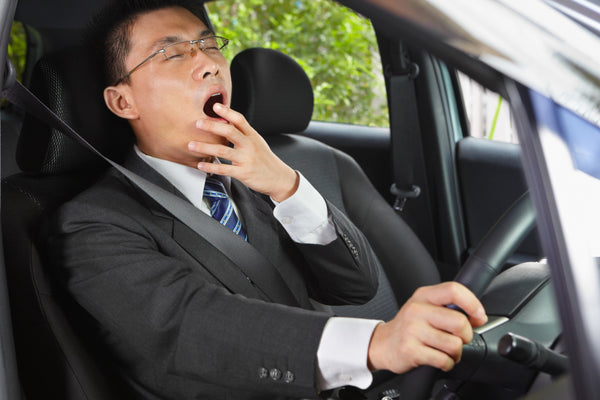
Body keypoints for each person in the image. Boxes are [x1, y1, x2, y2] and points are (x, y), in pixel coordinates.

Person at [46, 0, 487, 399]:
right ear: (123, 101)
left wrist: (286, 185)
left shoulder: (260, 179)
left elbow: (356, 287)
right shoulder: (92, 223)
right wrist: (375, 343)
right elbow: (193, 327)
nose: (208, 64)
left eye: (209, 45)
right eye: (173, 53)